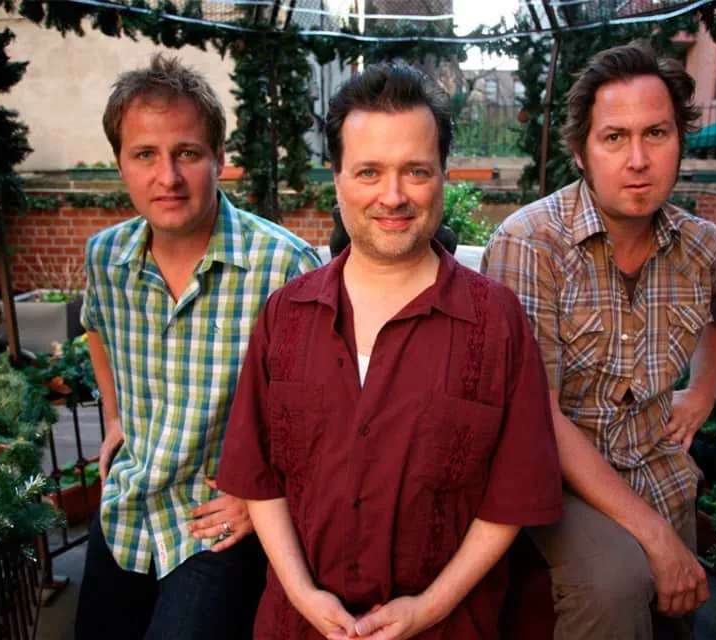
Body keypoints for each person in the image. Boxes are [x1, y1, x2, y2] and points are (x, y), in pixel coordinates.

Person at [216, 62, 563, 640]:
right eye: (369, 172)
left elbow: (512, 495)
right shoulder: (285, 315)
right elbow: (260, 479)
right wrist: (303, 595)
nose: (393, 196)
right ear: (337, 178)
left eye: (416, 171)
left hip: (448, 627)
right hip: (299, 625)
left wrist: (427, 609)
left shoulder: (497, 322)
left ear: (444, 175)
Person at [482, 40, 716, 639]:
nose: (638, 160)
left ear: (680, 139)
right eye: (615, 137)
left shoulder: (704, 248)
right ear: (581, 151)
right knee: (616, 585)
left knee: (677, 610)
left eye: (657, 134)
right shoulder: (531, 244)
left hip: (656, 463)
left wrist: (703, 390)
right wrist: (653, 535)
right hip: (555, 474)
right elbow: (537, 417)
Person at [74, 53, 321, 640]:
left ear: (219, 158)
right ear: (120, 163)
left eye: (187, 153)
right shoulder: (106, 258)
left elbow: (325, 407)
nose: (168, 177)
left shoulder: (282, 265)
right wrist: (115, 417)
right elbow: (95, 328)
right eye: (145, 155)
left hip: (216, 523)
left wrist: (267, 494)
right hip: (129, 505)